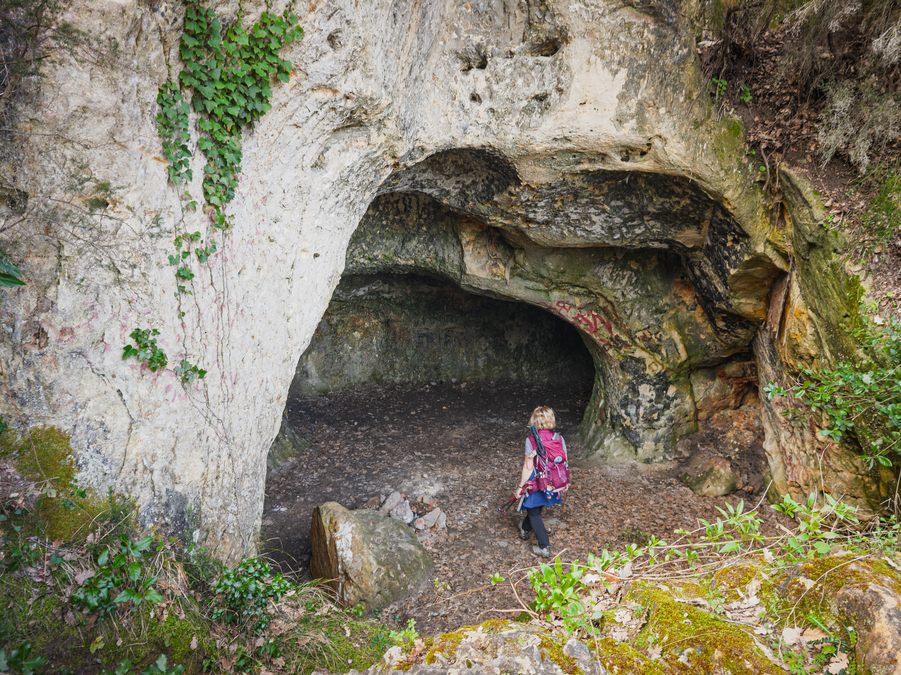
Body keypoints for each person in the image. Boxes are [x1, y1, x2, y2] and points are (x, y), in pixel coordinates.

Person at [514, 405, 567, 557]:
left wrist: (520, 486)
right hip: (553, 481)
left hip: (537, 481)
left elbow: (528, 466)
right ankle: (524, 528)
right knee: (536, 506)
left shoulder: (531, 440)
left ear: (534, 421)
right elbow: (564, 461)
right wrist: (565, 482)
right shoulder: (559, 438)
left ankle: (544, 546)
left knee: (533, 512)